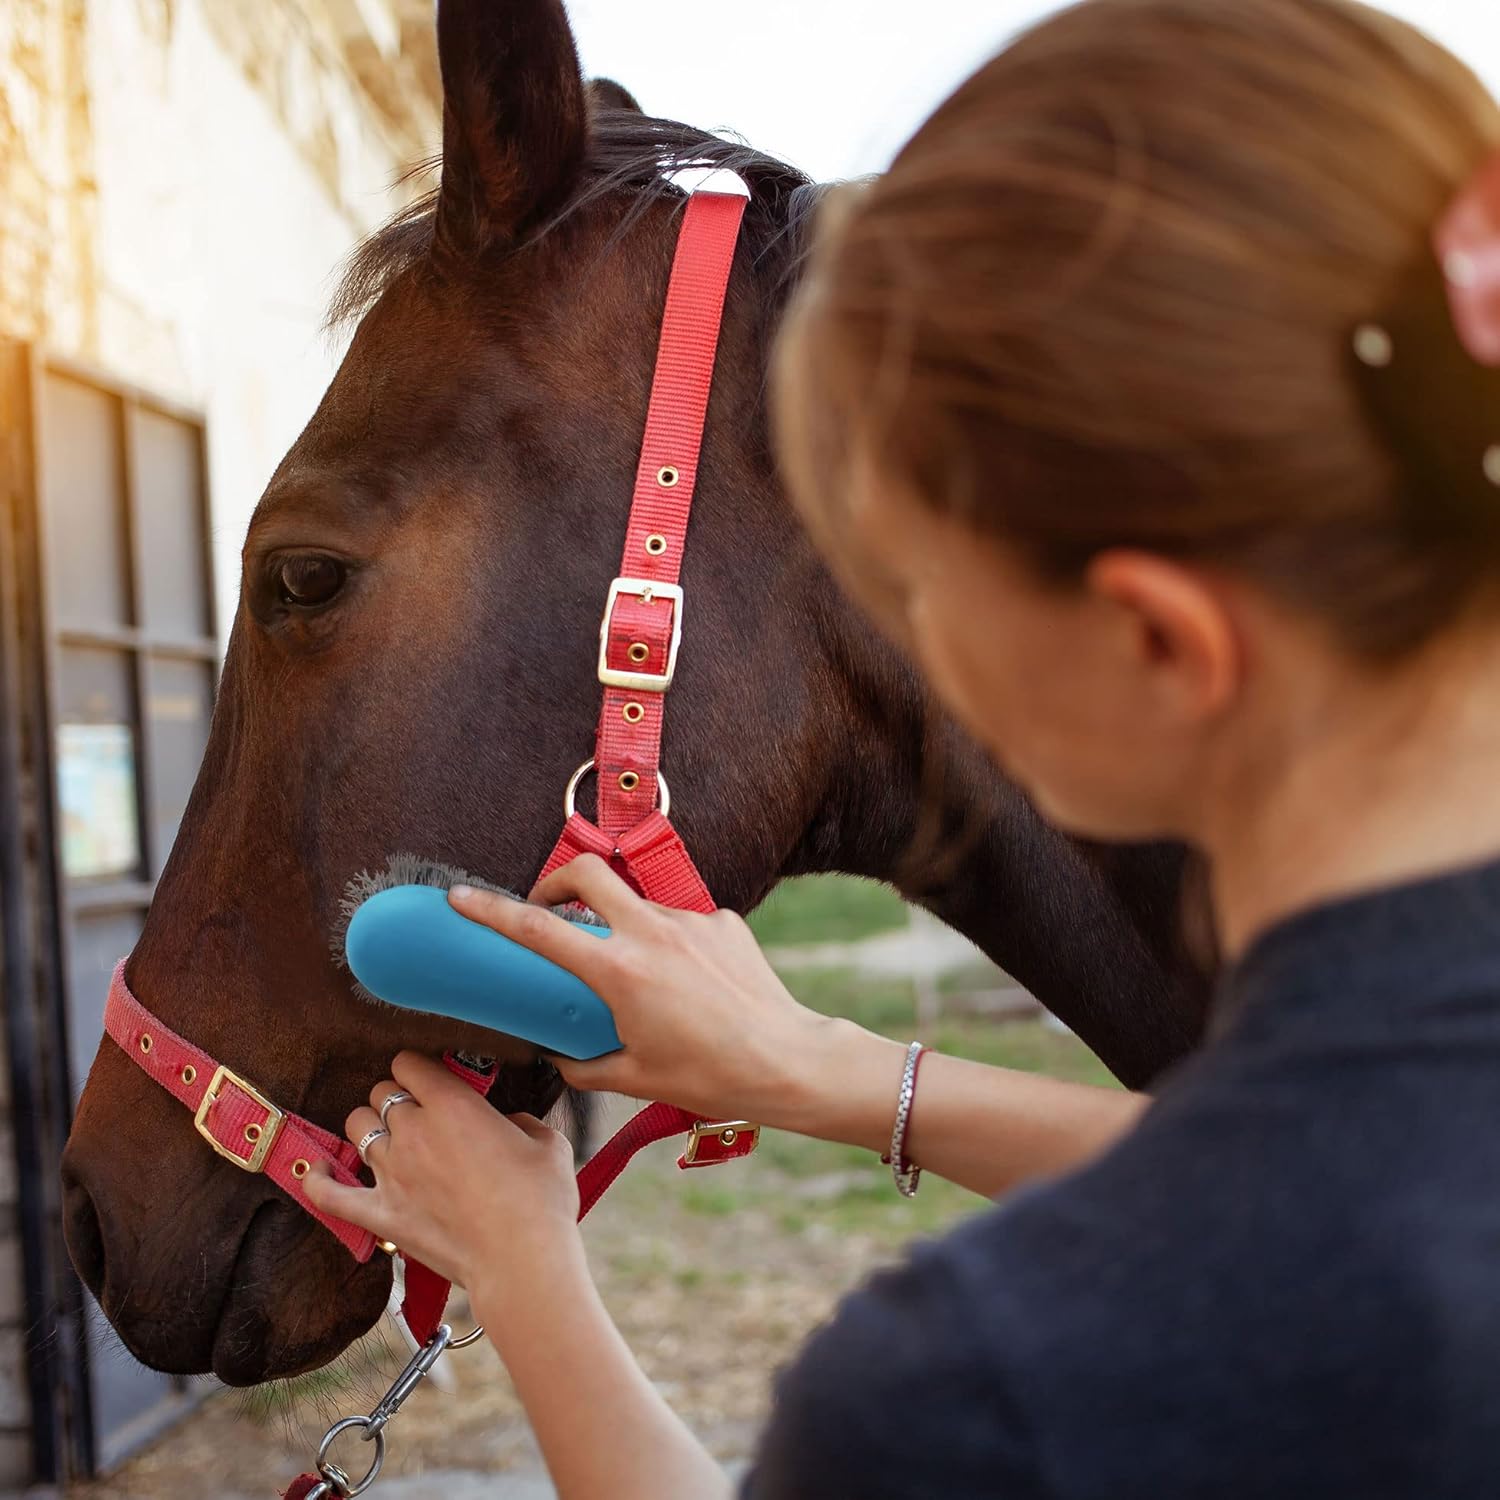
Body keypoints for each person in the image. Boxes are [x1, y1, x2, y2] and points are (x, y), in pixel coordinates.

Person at [305, 0, 1500, 1493]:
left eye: (913, 571)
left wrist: (525, 1270)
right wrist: (820, 1070)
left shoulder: (985, 1394)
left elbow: (1294, 1204)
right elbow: (1350, 1178)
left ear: (1154, 644)